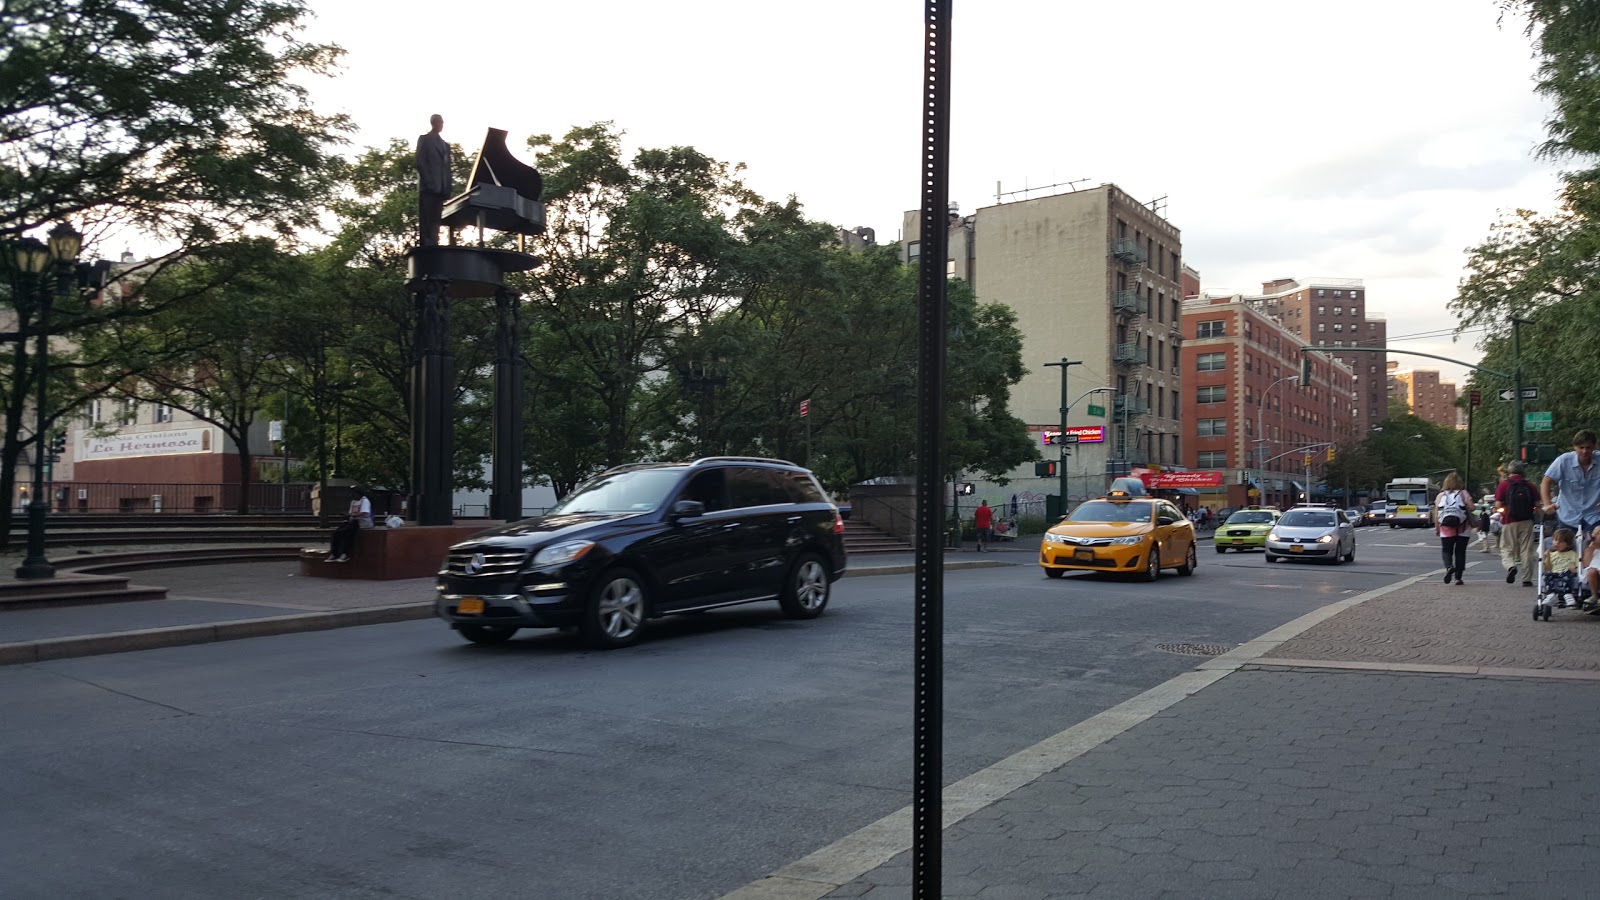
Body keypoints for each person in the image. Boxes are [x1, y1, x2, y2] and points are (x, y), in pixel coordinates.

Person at [1541, 429, 1600, 551]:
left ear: (1594, 447)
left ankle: (1591, 568)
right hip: (1568, 515)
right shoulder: (1563, 461)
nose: (1584, 451)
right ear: (1574, 447)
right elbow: (1546, 481)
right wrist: (1547, 504)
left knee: (1595, 546)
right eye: (1581, 447)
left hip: (1594, 514)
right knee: (1565, 549)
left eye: (1588, 448)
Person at [1496, 460, 1538, 587]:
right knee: (1527, 550)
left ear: (1510, 471)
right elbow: (1536, 505)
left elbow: (1498, 504)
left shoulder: (1504, 485)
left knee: (1506, 548)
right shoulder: (1530, 485)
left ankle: (1511, 566)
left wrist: (1501, 511)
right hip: (1527, 521)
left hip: (1509, 521)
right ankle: (1527, 578)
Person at [415, 114, 451, 247]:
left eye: (442, 122)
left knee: (436, 220)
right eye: (439, 122)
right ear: (433, 123)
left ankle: (434, 243)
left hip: (441, 188)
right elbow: (420, 162)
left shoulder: (446, 145)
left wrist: (447, 188)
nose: (441, 125)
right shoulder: (424, 139)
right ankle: (426, 244)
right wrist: (429, 183)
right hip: (428, 188)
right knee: (426, 220)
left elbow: (447, 169)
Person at [1433, 472, 1474, 585]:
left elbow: (1436, 514)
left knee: (1446, 550)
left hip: (1446, 528)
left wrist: (1437, 528)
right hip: (1463, 528)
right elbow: (1472, 507)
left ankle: (1449, 567)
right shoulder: (1463, 493)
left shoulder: (1441, 496)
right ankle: (1458, 577)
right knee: (1460, 552)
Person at [1539, 527, 1580, 613]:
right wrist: (1548, 557)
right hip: (1555, 573)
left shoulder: (1573, 554)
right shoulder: (1552, 554)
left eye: (1560, 542)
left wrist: (1574, 570)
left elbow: (1578, 567)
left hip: (1568, 573)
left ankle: (1567, 594)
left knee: (1566, 573)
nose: (1556, 543)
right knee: (1547, 575)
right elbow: (1548, 568)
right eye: (1555, 540)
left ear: (1568, 544)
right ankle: (1551, 594)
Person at [327, 488, 374, 563]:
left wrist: (350, 515)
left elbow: (364, 513)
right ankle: (334, 554)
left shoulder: (364, 500)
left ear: (359, 494)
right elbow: (351, 513)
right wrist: (346, 516)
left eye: (354, 494)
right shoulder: (353, 502)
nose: (352, 495)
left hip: (362, 522)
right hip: (353, 521)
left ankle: (345, 554)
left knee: (348, 533)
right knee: (337, 533)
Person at [1580, 524, 1600, 615]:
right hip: (1594, 566)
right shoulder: (1591, 547)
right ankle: (1594, 596)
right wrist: (1592, 547)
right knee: (1591, 571)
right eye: (1595, 533)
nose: (1596, 535)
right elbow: (1586, 563)